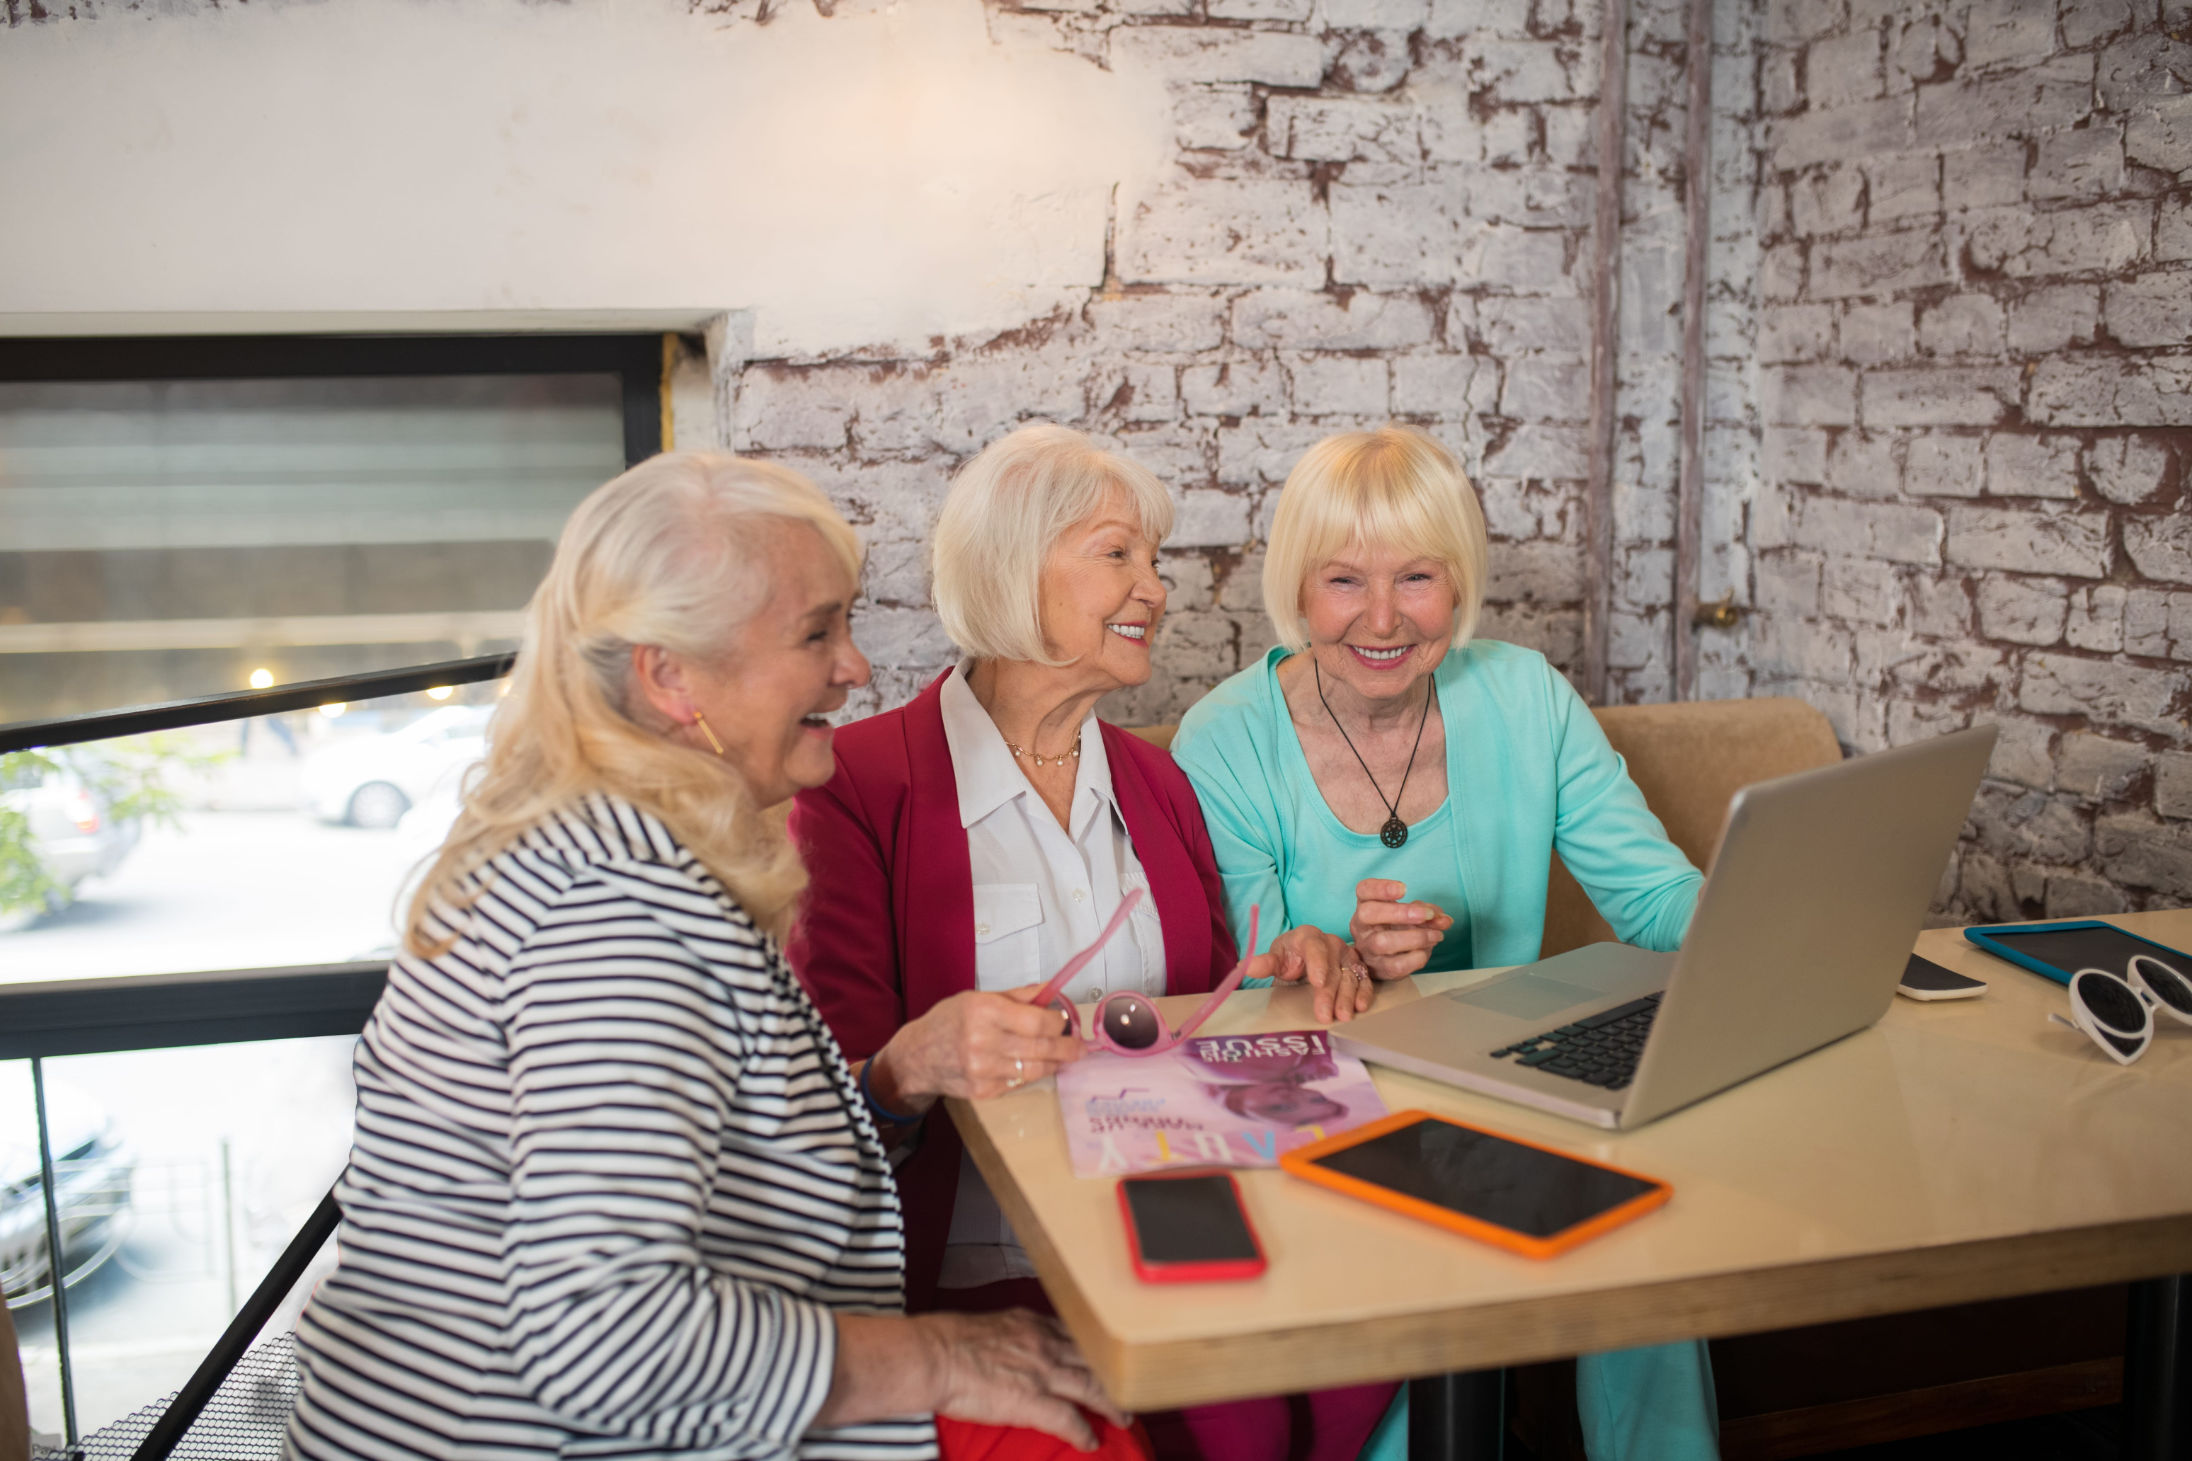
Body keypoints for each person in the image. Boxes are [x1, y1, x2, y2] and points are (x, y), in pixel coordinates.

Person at [284, 453, 1143, 1461]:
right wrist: (943, 1356)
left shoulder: (607, 848)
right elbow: (607, 1340)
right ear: (670, 677)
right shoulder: (611, 918)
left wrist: (892, 1080)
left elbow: (725, 1155)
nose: (855, 666)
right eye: (815, 632)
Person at [790, 425, 1394, 1461]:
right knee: (1234, 1422)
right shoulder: (855, 785)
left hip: (1172, 1221)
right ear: (1012, 569)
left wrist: (1279, 976)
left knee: (1371, 1340)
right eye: (1118, 555)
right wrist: (911, 1065)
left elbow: (1201, 1021)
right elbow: (837, 1097)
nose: (1155, 589)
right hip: (982, 1264)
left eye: (1153, 560)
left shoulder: (1158, 782)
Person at [1169, 425, 1719, 1461]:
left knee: (1650, 1236)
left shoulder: (1525, 694)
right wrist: (1331, 957)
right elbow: (1240, 978)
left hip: (1526, 1085)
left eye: (1415, 577)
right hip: (1331, 1109)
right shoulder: (1224, 736)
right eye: (1344, 579)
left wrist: (1769, 924)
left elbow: (1653, 896)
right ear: (1297, 586)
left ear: (1458, 581)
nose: (1382, 618)